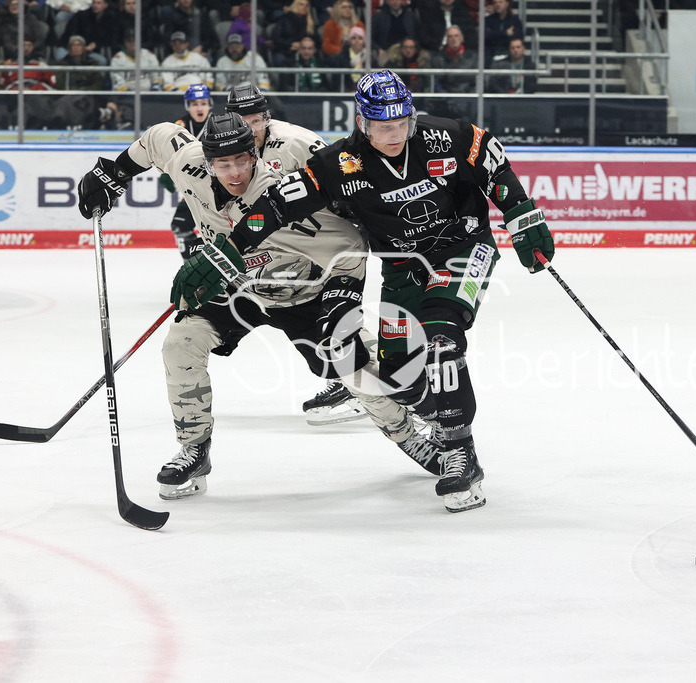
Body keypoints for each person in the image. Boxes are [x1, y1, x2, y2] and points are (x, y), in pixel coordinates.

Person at [168, 70, 555, 512]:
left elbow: (490, 157)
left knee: (441, 337)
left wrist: (521, 212)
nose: (394, 135)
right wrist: (230, 250)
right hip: (402, 267)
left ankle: (459, 452)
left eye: (401, 124)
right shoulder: (338, 164)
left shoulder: (448, 136)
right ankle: (432, 407)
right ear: (361, 123)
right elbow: (274, 207)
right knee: (398, 374)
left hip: (462, 248)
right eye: (382, 127)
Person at [75, 110, 446, 501]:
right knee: (180, 343)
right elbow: (157, 137)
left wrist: (341, 301)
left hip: (301, 294)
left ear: (255, 156)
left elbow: (351, 245)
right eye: (223, 164)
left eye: (242, 161)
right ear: (207, 161)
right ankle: (194, 448)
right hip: (237, 290)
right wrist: (112, 174)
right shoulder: (189, 166)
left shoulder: (283, 201)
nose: (235, 173)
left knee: (354, 365)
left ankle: (411, 433)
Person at [226, 82, 366, 424]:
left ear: (266, 117)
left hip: (320, 242)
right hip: (273, 249)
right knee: (313, 324)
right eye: (242, 122)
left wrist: (353, 215)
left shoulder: (293, 141)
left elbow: (346, 170)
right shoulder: (226, 147)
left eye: (256, 121)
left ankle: (379, 383)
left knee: (330, 312)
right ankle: (353, 378)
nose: (250, 129)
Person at [160, 83, 211, 259]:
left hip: (219, 191)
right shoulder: (179, 127)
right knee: (180, 226)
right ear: (187, 106)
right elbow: (167, 154)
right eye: (194, 104)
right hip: (193, 190)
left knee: (217, 232)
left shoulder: (219, 125)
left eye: (203, 103)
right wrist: (166, 173)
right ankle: (193, 268)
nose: (199, 108)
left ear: (209, 105)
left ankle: (217, 269)